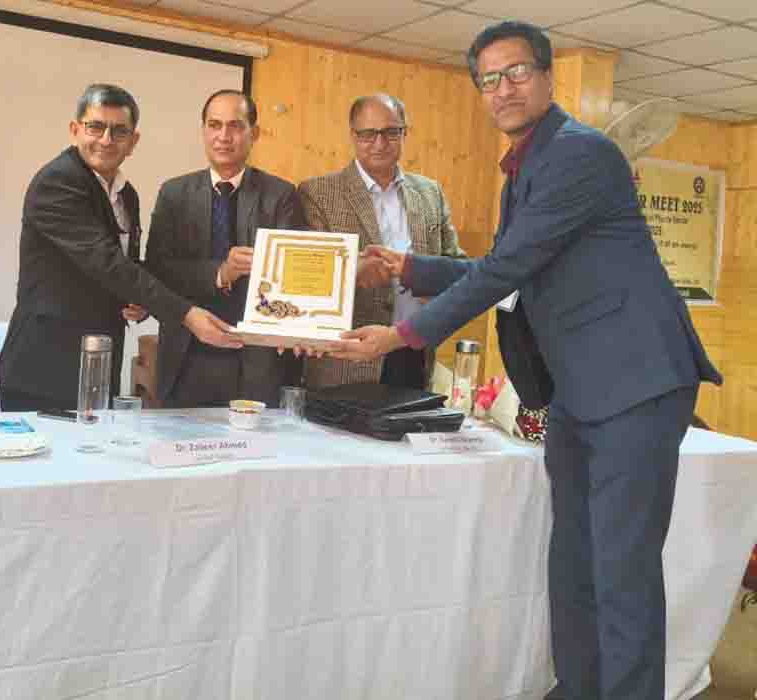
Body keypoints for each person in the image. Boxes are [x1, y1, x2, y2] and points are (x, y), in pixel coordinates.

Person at [325, 21, 723, 700]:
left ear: (546, 78)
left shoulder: (579, 152)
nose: (503, 89)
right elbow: (512, 266)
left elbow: (507, 268)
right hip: (577, 390)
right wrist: (412, 267)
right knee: (573, 561)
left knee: (621, 570)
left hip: (634, 384)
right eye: (489, 79)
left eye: (516, 73)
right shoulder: (526, 167)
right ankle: (579, 687)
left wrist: (401, 335)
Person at [0, 84, 240, 411]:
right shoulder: (58, 182)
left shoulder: (126, 194)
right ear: (75, 130)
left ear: (133, 141)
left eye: (119, 131)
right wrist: (187, 315)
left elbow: (128, 268)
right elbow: (107, 264)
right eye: (95, 127)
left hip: (99, 364)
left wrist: (141, 301)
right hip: (45, 366)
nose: (106, 140)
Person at [144, 90, 306, 407]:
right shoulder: (174, 194)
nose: (223, 136)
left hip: (259, 359)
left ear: (254, 133)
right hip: (188, 355)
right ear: (203, 130)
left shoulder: (281, 195)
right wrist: (221, 272)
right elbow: (158, 271)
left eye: (235, 126)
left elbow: (293, 276)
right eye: (214, 125)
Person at [297, 93, 464, 390]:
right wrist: (353, 272)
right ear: (353, 135)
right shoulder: (318, 193)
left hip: (414, 352)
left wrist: (432, 286)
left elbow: (456, 264)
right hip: (345, 360)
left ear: (404, 133)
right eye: (368, 134)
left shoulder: (430, 193)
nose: (379, 143)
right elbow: (305, 277)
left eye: (390, 132)